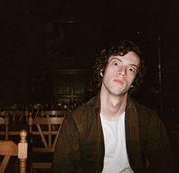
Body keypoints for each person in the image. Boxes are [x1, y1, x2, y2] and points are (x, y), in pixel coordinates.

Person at [52, 40, 174, 173]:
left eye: (131, 68)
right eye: (116, 63)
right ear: (102, 70)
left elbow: (165, 166)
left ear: (133, 82)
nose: (123, 72)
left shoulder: (149, 120)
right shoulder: (76, 121)